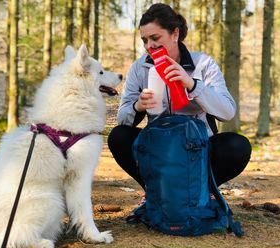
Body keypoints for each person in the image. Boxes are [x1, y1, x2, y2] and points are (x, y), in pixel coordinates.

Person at [108, 3, 252, 192]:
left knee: (238, 145)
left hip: (198, 147)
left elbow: (228, 111)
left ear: (175, 34)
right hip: (158, 145)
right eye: (144, 40)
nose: (149, 46)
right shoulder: (139, 68)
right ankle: (155, 192)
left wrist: (192, 85)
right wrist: (138, 106)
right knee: (118, 136)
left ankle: (199, 193)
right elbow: (122, 119)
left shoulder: (203, 63)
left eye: (155, 38)